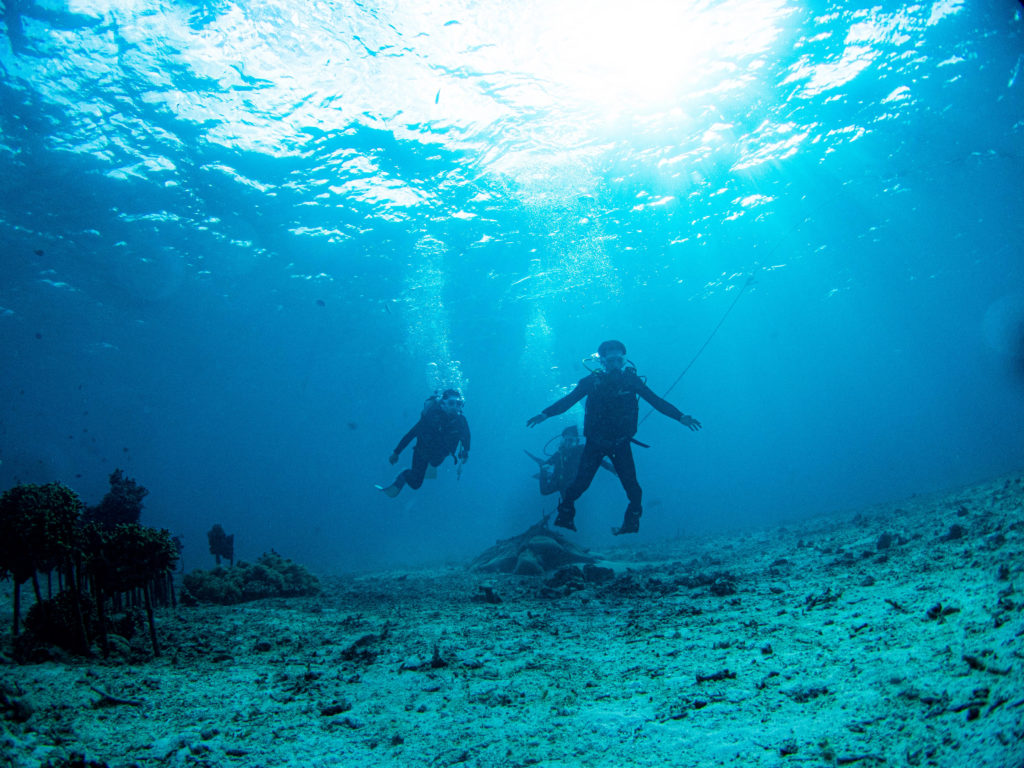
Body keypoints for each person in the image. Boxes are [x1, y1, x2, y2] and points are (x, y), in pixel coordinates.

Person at [526, 340, 700, 535]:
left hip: (621, 443)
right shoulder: (590, 382)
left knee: (634, 489)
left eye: (619, 359)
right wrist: (545, 413)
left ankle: (630, 523)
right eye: (611, 360)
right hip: (595, 443)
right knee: (579, 486)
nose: (616, 364)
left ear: (624, 361)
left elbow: (656, 401)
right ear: (602, 362)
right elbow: (568, 400)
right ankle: (565, 514)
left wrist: (680, 416)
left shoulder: (632, 381)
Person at [376, 389, 470, 497]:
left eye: (459, 403)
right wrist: (396, 453)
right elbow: (412, 434)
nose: (455, 407)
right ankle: (405, 475)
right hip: (422, 452)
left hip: (441, 454)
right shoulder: (431, 417)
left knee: (435, 463)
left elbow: (466, 437)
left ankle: (430, 465)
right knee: (416, 484)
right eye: (451, 403)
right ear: (443, 404)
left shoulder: (461, 421)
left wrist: (465, 452)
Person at [525, 425, 616, 496]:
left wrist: (613, 469)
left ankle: (550, 476)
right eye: (566, 440)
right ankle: (549, 475)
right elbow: (547, 463)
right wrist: (543, 468)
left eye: (571, 440)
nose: (568, 443)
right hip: (560, 480)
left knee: (568, 499)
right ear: (563, 441)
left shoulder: (582, 450)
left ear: (577, 441)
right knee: (545, 491)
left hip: (571, 482)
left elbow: (599, 460)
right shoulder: (560, 453)